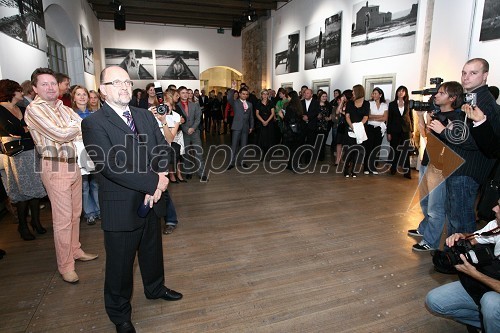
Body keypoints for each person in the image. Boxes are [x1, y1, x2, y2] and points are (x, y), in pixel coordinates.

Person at [81, 66, 182, 333]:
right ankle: (119, 313)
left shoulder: (144, 115)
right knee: (120, 264)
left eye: (127, 82)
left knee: (152, 251)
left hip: (154, 197)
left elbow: (162, 145)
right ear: (102, 90)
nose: (125, 87)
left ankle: (155, 288)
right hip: (121, 204)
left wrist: (161, 175)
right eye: (117, 83)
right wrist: (155, 182)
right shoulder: (93, 123)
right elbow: (110, 165)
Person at [25, 68, 97, 283]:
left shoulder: (62, 107)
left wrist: (72, 126)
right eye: (44, 84)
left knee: (75, 214)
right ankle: (66, 265)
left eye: (53, 84)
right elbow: (60, 133)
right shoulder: (34, 110)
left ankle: (75, 250)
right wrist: (73, 127)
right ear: (35, 88)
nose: (50, 87)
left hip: (74, 164)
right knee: (63, 220)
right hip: (55, 166)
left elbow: (84, 125)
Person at [425, 199, 500, 333]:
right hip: (491, 281)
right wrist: (461, 236)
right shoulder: (496, 225)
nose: (494, 208)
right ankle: (489, 324)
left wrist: (475, 274)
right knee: (434, 301)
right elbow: (474, 238)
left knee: (491, 303)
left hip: (493, 292)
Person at [0, 79, 47, 240]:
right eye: (19, 90)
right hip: (16, 156)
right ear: (10, 92)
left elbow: (34, 126)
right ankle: (23, 225)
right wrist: (26, 129)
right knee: (22, 193)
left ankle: (36, 221)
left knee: (36, 189)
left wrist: (25, 130)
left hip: (31, 151)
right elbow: (13, 130)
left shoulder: (21, 107)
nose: (22, 93)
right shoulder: (1, 110)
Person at [148, 93, 182, 235]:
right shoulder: (149, 115)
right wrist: (148, 115)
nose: (164, 109)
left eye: (167, 106)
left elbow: (170, 138)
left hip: (164, 153)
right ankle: (164, 219)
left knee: (162, 187)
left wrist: (163, 121)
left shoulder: (175, 117)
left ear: (172, 106)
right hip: (149, 153)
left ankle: (170, 219)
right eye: (162, 106)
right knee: (151, 185)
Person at [71, 86, 100, 226]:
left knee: (95, 183)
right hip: (79, 151)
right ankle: (89, 213)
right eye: (78, 94)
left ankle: (100, 210)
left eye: (84, 94)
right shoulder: (70, 114)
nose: (82, 97)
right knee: (83, 185)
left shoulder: (94, 114)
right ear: (74, 97)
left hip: (93, 150)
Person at [177, 86, 207, 181]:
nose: (185, 94)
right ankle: (188, 172)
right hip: (184, 132)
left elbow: (198, 118)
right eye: (183, 93)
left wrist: (193, 128)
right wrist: (186, 129)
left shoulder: (195, 105)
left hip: (195, 132)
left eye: (187, 92)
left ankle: (202, 173)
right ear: (179, 94)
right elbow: (177, 120)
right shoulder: (176, 106)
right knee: (186, 153)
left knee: (198, 153)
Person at [387, 85, 414, 179]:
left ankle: (407, 172)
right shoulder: (392, 104)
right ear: (397, 92)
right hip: (394, 130)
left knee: (406, 151)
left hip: (406, 130)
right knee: (394, 149)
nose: (401, 93)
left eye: (403, 91)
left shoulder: (408, 104)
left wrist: (412, 131)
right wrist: (388, 132)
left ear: (405, 93)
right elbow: (389, 119)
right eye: (399, 91)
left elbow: (411, 117)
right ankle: (393, 168)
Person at [227, 81, 254, 170]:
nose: (245, 95)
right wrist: (232, 88)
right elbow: (229, 98)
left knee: (244, 146)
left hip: (245, 128)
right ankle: (231, 162)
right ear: (239, 94)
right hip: (236, 127)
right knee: (234, 146)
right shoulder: (235, 102)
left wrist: (251, 126)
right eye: (243, 94)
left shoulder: (250, 104)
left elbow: (251, 117)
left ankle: (242, 161)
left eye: (246, 94)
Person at [343, 84, 369, 177]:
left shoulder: (366, 103)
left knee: (357, 151)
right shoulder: (350, 103)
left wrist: (359, 127)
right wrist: (353, 127)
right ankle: (346, 169)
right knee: (350, 150)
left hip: (360, 130)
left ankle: (353, 170)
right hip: (350, 130)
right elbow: (347, 116)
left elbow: (366, 117)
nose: (352, 92)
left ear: (358, 92)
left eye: (353, 91)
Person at [279, 90, 306, 171]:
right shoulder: (299, 106)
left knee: (291, 148)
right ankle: (292, 164)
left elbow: (289, 120)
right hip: (298, 130)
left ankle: (292, 165)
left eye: (288, 97)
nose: (288, 98)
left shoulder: (290, 107)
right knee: (295, 148)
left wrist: (282, 116)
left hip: (291, 131)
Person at [363, 87, 388, 174]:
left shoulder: (384, 105)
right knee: (369, 147)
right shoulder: (369, 103)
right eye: (373, 93)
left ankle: (373, 167)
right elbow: (368, 116)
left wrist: (374, 117)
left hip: (379, 128)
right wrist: (379, 117)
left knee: (377, 148)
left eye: (375, 93)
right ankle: (366, 167)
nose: (374, 95)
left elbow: (385, 117)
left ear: (380, 95)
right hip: (370, 127)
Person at [255, 89, 276, 160]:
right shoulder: (258, 103)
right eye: (263, 94)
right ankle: (262, 155)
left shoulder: (271, 103)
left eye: (266, 94)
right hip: (261, 123)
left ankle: (269, 155)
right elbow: (257, 114)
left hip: (269, 123)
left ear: (268, 95)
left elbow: (272, 113)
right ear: (261, 95)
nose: (265, 95)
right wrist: (263, 121)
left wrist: (267, 121)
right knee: (262, 139)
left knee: (269, 139)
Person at [334, 89, 353, 166]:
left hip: (348, 125)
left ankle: (346, 159)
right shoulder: (343, 104)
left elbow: (350, 114)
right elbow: (337, 112)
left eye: (344, 96)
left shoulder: (351, 104)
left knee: (347, 144)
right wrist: (341, 102)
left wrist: (342, 112)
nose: (343, 97)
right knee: (339, 143)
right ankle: (338, 159)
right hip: (341, 125)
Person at [317, 91, 333, 161]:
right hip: (316, 125)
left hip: (325, 125)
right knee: (316, 141)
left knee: (323, 141)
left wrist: (329, 118)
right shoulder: (315, 104)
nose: (324, 98)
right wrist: (316, 116)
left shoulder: (328, 105)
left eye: (325, 96)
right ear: (320, 97)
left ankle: (321, 156)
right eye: (323, 96)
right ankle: (315, 155)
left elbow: (332, 113)